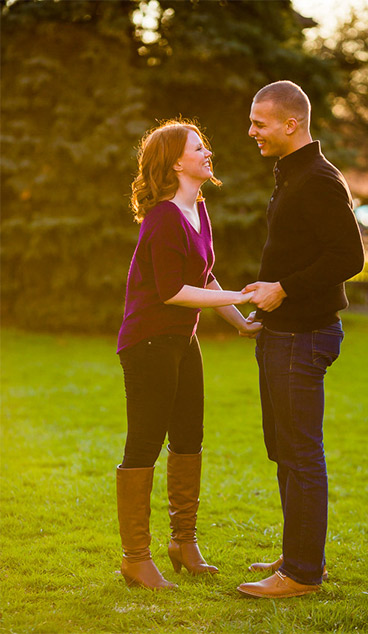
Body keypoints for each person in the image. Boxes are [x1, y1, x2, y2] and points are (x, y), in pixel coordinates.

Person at [116, 120, 262, 590]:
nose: (207, 153)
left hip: (182, 340)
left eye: (205, 145)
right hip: (148, 341)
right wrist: (242, 293)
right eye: (198, 147)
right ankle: (135, 558)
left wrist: (242, 323)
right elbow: (173, 290)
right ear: (176, 161)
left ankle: (183, 541)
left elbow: (207, 277)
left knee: (189, 437)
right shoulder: (162, 217)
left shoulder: (199, 210)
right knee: (144, 441)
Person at [235, 80, 365, 599]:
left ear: (292, 123)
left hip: (304, 337)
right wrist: (268, 299)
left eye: (259, 123)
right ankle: (298, 553)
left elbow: (349, 257)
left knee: (300, 453)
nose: (252, 132)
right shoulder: (292, 175)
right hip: (282, 332)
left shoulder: (317, 178)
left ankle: (303, 572)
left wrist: (283, 289)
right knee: (284, 449)